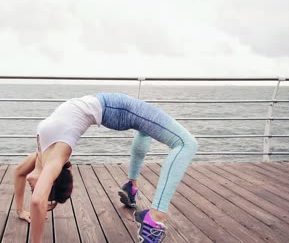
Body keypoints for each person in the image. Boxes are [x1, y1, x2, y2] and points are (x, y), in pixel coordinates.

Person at [14, 93, 198, 243]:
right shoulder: (55, 159)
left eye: (37, 188)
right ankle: (146, 204)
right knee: (186, 143)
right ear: (52, 179)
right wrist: (28, 207)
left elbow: (21, 176)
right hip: (115, 108)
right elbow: (38, 199)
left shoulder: (42, 156)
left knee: (181, 142)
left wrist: (21, 211)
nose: (35, 190)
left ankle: (146, 207)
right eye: (43, 189)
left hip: (115, 107)